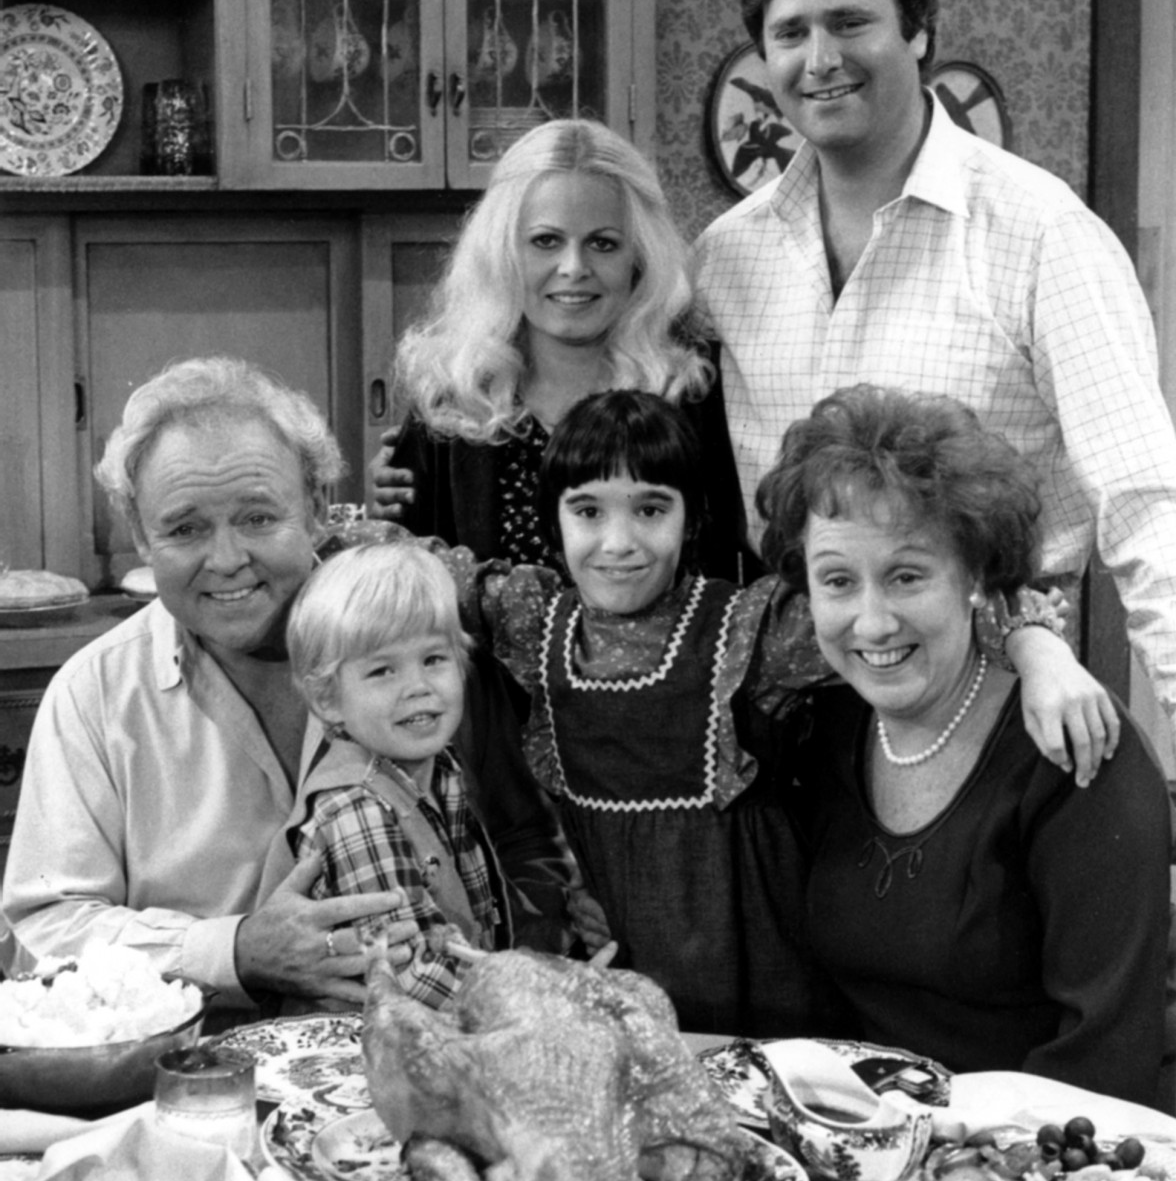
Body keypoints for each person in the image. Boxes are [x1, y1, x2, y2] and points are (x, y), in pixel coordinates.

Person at [393, 390, 1112, 1038]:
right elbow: (407, 563)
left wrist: (1039, 647)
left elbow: (957, 603)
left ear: (693, 518)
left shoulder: (748, 631)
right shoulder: (530, 620)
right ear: (552, 520)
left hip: (763, 981)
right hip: (617, 972)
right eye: (588, 511)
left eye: (650, 509)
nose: (618, 542)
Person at [694, 0, 1176, 753]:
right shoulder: (725, 259)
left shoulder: (1042, 234)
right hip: (785, 734)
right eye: (791, 32)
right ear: (763, 57)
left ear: (918, 31)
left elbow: (1148, 505)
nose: (821, 59)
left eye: (850, 22)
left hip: (993, 702)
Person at [0, 359, 575, 1022]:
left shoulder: (424, 650)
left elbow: (528, 850)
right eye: (185, 528)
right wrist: (235, 952)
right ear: (140, 536)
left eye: (257, 517)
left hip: (448, 1038)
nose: (226, 560)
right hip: (199, 1062)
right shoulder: (94, 695)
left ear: (317, 508)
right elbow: (42, 933)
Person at [756, 384, 1170, 1108]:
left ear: (975, 575)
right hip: (877, 1138)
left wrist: (956, 1155)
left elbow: (1107, 1051)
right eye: (838, 581)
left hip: (1053, 1145)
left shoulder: (1075, 754)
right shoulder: (822, 731)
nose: (872, 622)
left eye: (907, 576)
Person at [369, 117, 747, 583]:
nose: (573, 267)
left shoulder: (695, 391)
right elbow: (410, 590)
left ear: (639, 256)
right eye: (546, 241)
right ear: (503, 252)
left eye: (603, 244)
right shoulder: (452, 402)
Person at [284, 543, 512, 1009]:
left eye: (434, 659)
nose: (418, 687)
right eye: (383, 670)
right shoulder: (356, 808)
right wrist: (531, 1006)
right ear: (327, 699)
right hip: (371, 1040)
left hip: (450, 1026)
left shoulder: (440, 770)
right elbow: (408, 972)